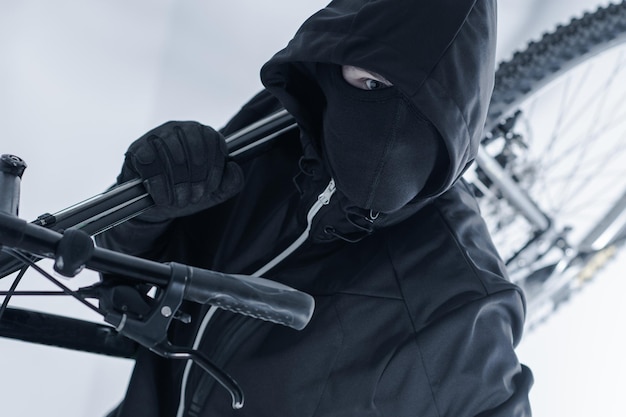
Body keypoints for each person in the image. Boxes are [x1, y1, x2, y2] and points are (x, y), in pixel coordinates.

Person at [97, 0, 534, 415]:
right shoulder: (280, 127)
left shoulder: (459, 306)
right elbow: (133, 278)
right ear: (334, 64)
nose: (390, 139)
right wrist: (144, 209)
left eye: (424, 106)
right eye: (373, 83)